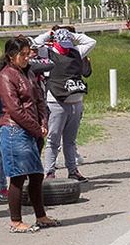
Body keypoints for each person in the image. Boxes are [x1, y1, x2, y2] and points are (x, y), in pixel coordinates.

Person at [0, 36, 58, 232]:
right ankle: (15, 221)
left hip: (31, 131)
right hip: (13, 131)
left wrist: (43, 122)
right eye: (22, 54)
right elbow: (15, 110)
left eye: (28, 53)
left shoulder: (28, 73)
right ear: (11, 56)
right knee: (18, 177)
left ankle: (41, 216)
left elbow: (39, 100)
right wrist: (37, 129)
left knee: (37, 176)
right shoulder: (6, 77)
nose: (27, 58)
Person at [33, 26, 95, 181]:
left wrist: (72, 35)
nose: (67, 48)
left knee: (70, 140)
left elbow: (91, 41)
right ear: (56, 42)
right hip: (56, 101)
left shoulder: (76, 51)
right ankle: (49, 171)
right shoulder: (48, 52)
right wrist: (50, 34)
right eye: (63, 44)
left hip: (76, 101)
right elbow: (35, 44)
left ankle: (73, 171)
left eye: (68, 44)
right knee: (53, 140)